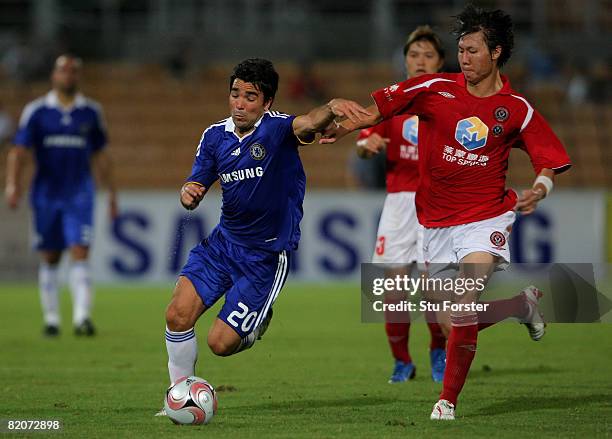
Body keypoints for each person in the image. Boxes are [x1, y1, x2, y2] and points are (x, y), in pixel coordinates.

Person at [321, 4, 571, 420]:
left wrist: (540, 189)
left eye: (473, 50)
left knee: (463, 305)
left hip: (486, 216)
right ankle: (517, 307)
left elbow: (549, 160)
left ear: (496, 53)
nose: (464, 58)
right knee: (447, 320)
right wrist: (340, 125)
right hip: (434, 222)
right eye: (461, 50)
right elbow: (375, 114)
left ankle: (447, 400)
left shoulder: (517, 108)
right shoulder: (436, 88)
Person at [157, 58, 369, 415]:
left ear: (266, 103)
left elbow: (308, 123)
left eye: (250, 97)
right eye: (235, 94)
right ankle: (178, 397)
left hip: (265, 258)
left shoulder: (277, 129)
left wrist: (330, 108)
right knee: (177, 315)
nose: (239, 103)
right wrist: (188, 192)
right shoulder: (214, 136)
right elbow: (197, 180)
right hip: (223, 245)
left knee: (219, 344)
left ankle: (255, 326)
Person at [356, 25, 446, 383]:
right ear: (404, 61)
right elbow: (363, 141)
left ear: (440, 63)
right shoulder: (393, 102)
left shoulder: (450, 101)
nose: (420, 61)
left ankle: (438, 352)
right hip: (398, 204)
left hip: (437, 203)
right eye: (413, 55)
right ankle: (402, 361)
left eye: (428, 55)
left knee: (433, 290)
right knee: (393, 289)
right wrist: (366, 147)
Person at [5, 54, 118, 337]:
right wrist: (12, 185)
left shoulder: (91, 111)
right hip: (46, 194)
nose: (68, 75)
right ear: (54, 75)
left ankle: (82, 318)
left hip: (80, 193)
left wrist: (112, 192)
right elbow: (18, 152)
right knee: (51, 255)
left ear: (78, 76)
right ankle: (52, 319)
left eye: (73, 71)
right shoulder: (37, 111)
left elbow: (102, 155)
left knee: (80, 251)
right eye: (63, 71)